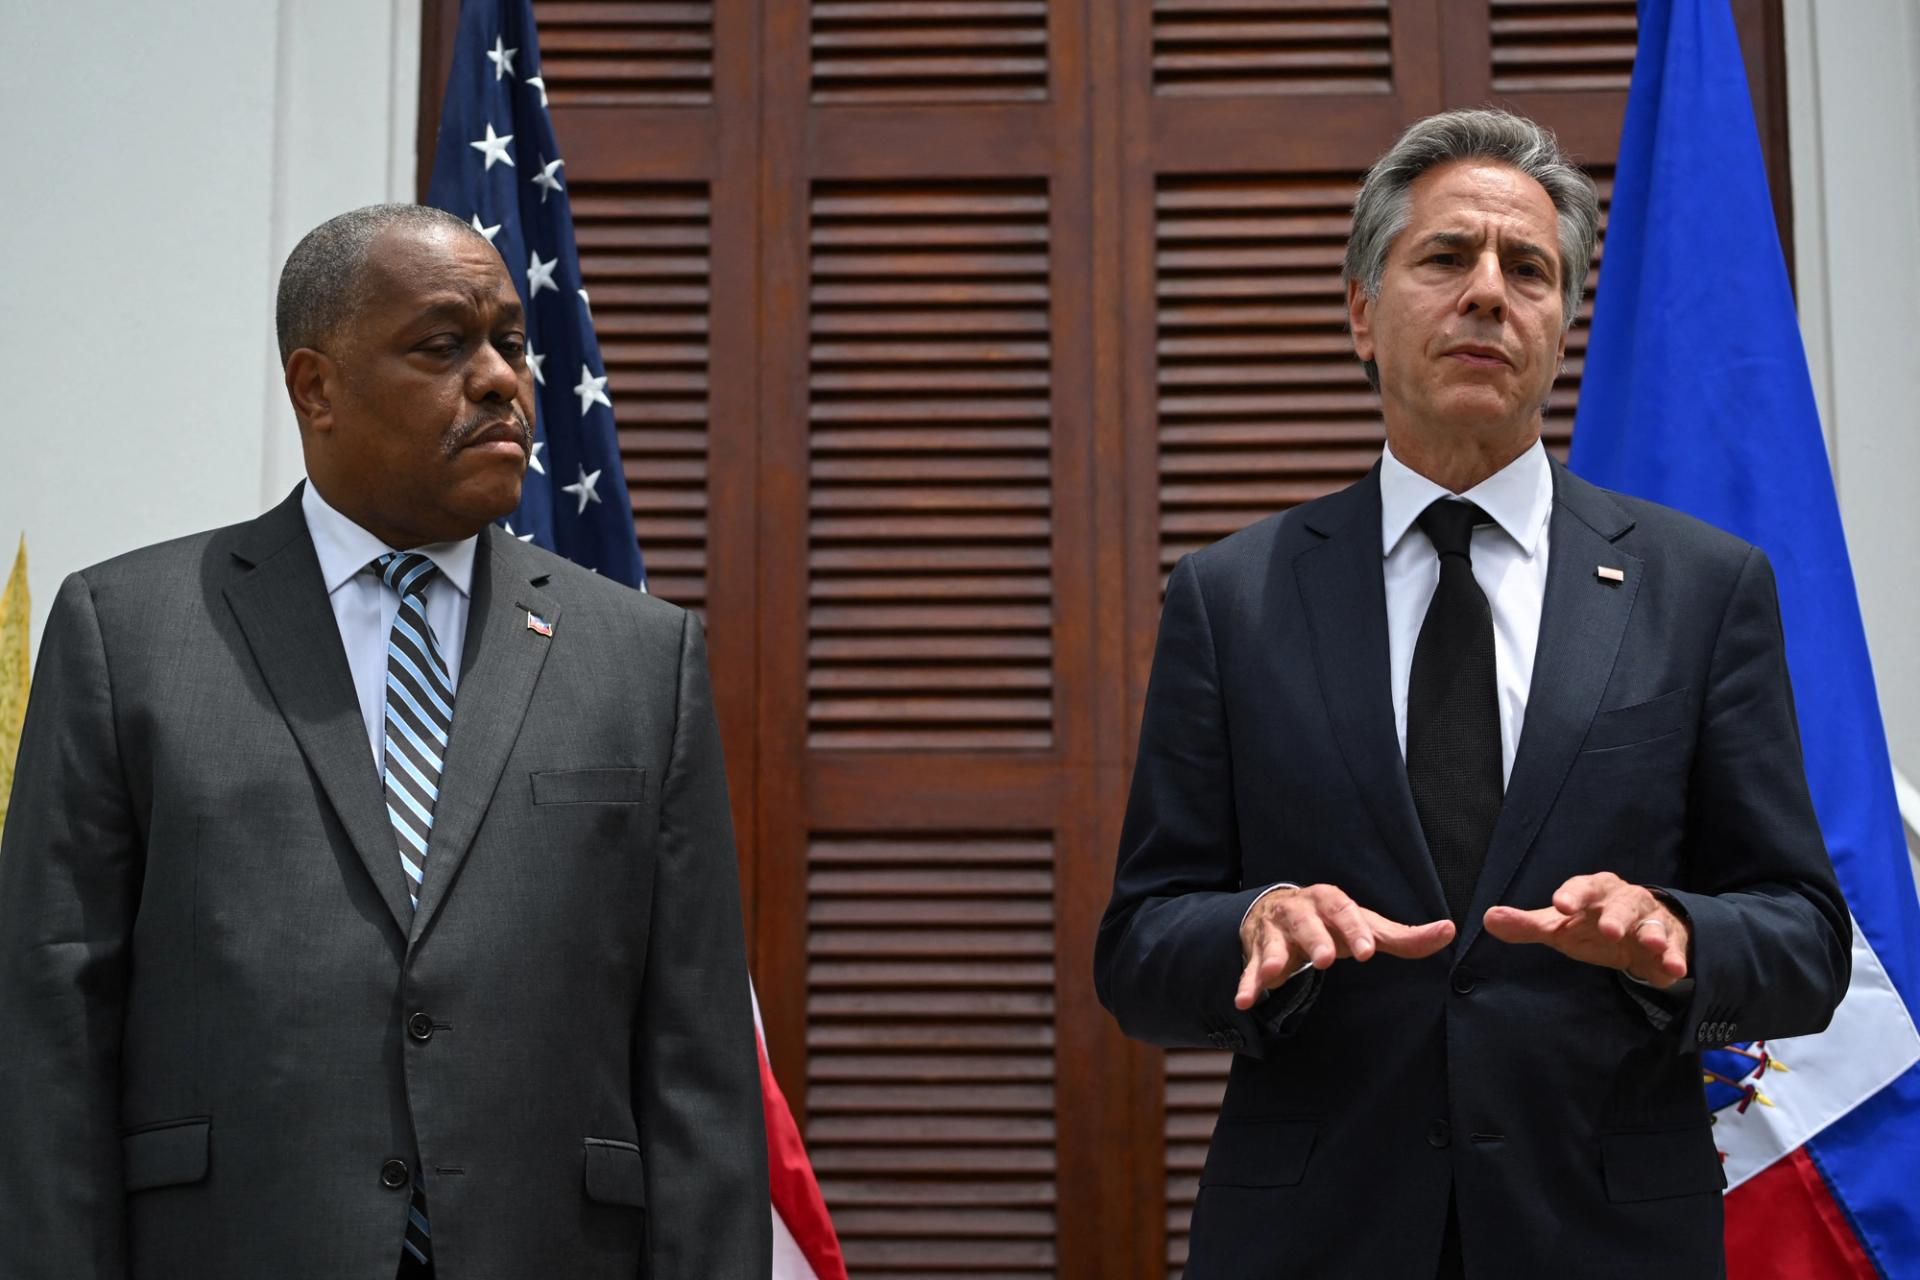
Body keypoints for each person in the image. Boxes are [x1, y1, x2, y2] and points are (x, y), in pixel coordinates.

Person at [1094, 109, 1850, 1279]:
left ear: (1563, 326)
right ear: (1361, 310)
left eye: (1529, 269)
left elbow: (1804, 935)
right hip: (1313, 1237)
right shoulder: (1230, 596)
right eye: (1446, 258)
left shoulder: (1702, 588)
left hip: (1606, 1236)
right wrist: (1253, 925)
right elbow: (1141, 944)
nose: (1489, 292)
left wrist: (1675, 935)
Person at [0, 204, 769, 1278]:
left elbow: (699, 1066)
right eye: (444, 345)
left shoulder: (642, 656)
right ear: (316, 386)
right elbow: (48, 1037)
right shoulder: (129, 631)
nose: (502, 378)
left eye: (510, 340)